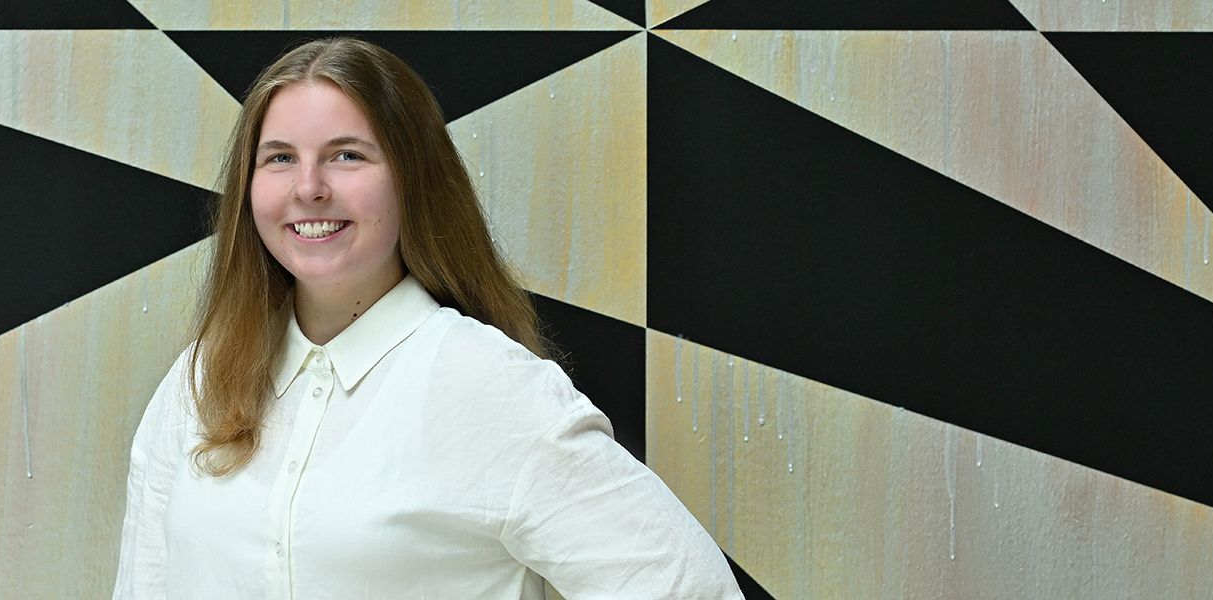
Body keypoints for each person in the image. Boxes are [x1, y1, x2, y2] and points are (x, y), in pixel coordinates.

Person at [113, 37, 743, 599]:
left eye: (347, 156)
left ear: (413, 180)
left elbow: (684, 586)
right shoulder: (198, 380)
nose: (309, 187)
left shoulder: (487, 384)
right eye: (279, 158)